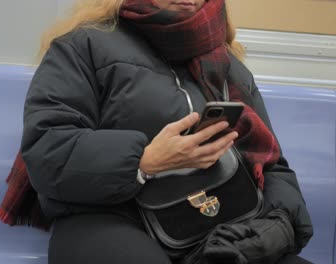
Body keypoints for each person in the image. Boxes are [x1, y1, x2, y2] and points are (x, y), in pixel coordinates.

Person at [18, 0, 313, 263]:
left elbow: (273, 166)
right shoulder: (83, 46)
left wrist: (277, 225)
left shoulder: (228, 66)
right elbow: (47, 150)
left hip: (219, 222)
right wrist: (144, 161)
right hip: (108, 217)